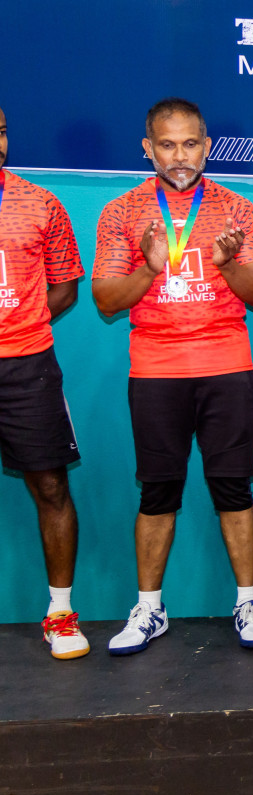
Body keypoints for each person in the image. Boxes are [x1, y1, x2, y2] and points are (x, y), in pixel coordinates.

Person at [93, 98, 253, 652]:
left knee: (233, 488)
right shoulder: (122, 211)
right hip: (155, 370)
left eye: (190, 144)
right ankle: (149, 609)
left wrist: (228, 265)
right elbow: (104, 299)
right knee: (158, 492)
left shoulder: (237, 209)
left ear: (207, 145)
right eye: (166, 145)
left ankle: (248, 603)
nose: (180, 156)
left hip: (226, 366)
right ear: (147, 148)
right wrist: (149, 269)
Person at [0, 105, 88, 660]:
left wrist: (21, 322)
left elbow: (66, 287)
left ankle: (60, 613)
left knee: (52, 488)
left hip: (25, 366)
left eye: (2, 131)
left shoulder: (39, 202)